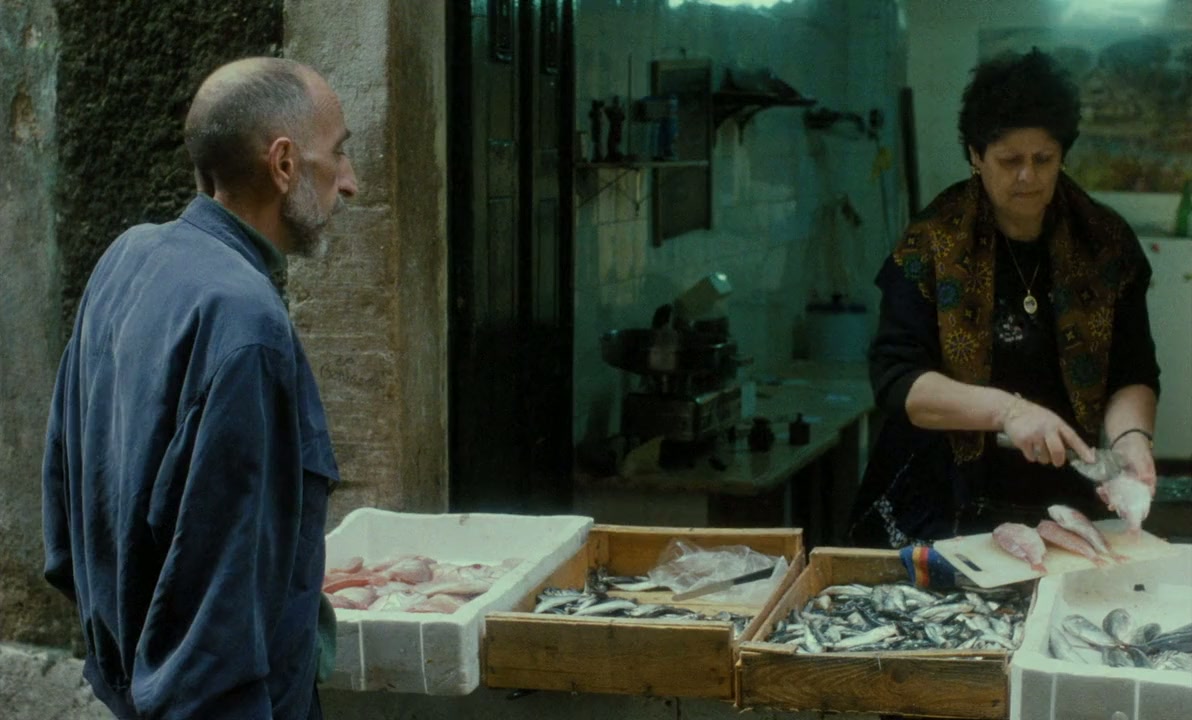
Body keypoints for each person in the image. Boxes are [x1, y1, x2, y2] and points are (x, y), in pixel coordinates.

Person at [42, 57, 357, 718]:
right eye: (338, 154)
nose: (350, 182)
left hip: (137, 687)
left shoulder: (128, 255)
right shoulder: (247, 323)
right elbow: (223, 606)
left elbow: (67, 518)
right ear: (284, 164)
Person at [848, 48, 1160, 548]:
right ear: (976, 156)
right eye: (1009, 160)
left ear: (1062, 155)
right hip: (941, 494)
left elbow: (1133, 370)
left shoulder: (1105, 243)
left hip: (1063, 493)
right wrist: (1008, 412)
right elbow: (897, 380)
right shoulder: (932, 243)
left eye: (1043, 159)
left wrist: (1130, 440)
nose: (1027, 176)